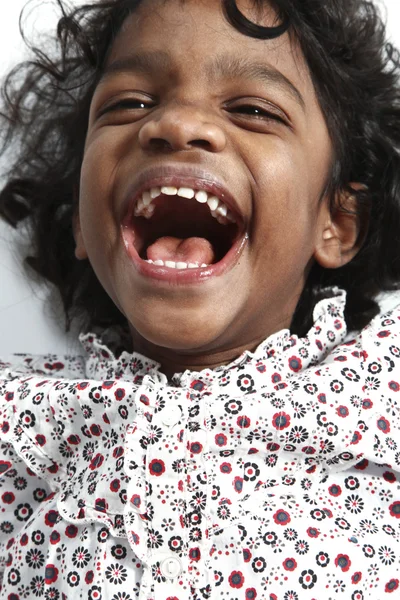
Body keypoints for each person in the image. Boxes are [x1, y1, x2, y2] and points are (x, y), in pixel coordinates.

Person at [0, 0, 400, 597]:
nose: (176, 125)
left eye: (253, 110)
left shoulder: (383, 394)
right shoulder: (19, 426)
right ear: (81, 224)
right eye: (130, 103)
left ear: (337, 223)